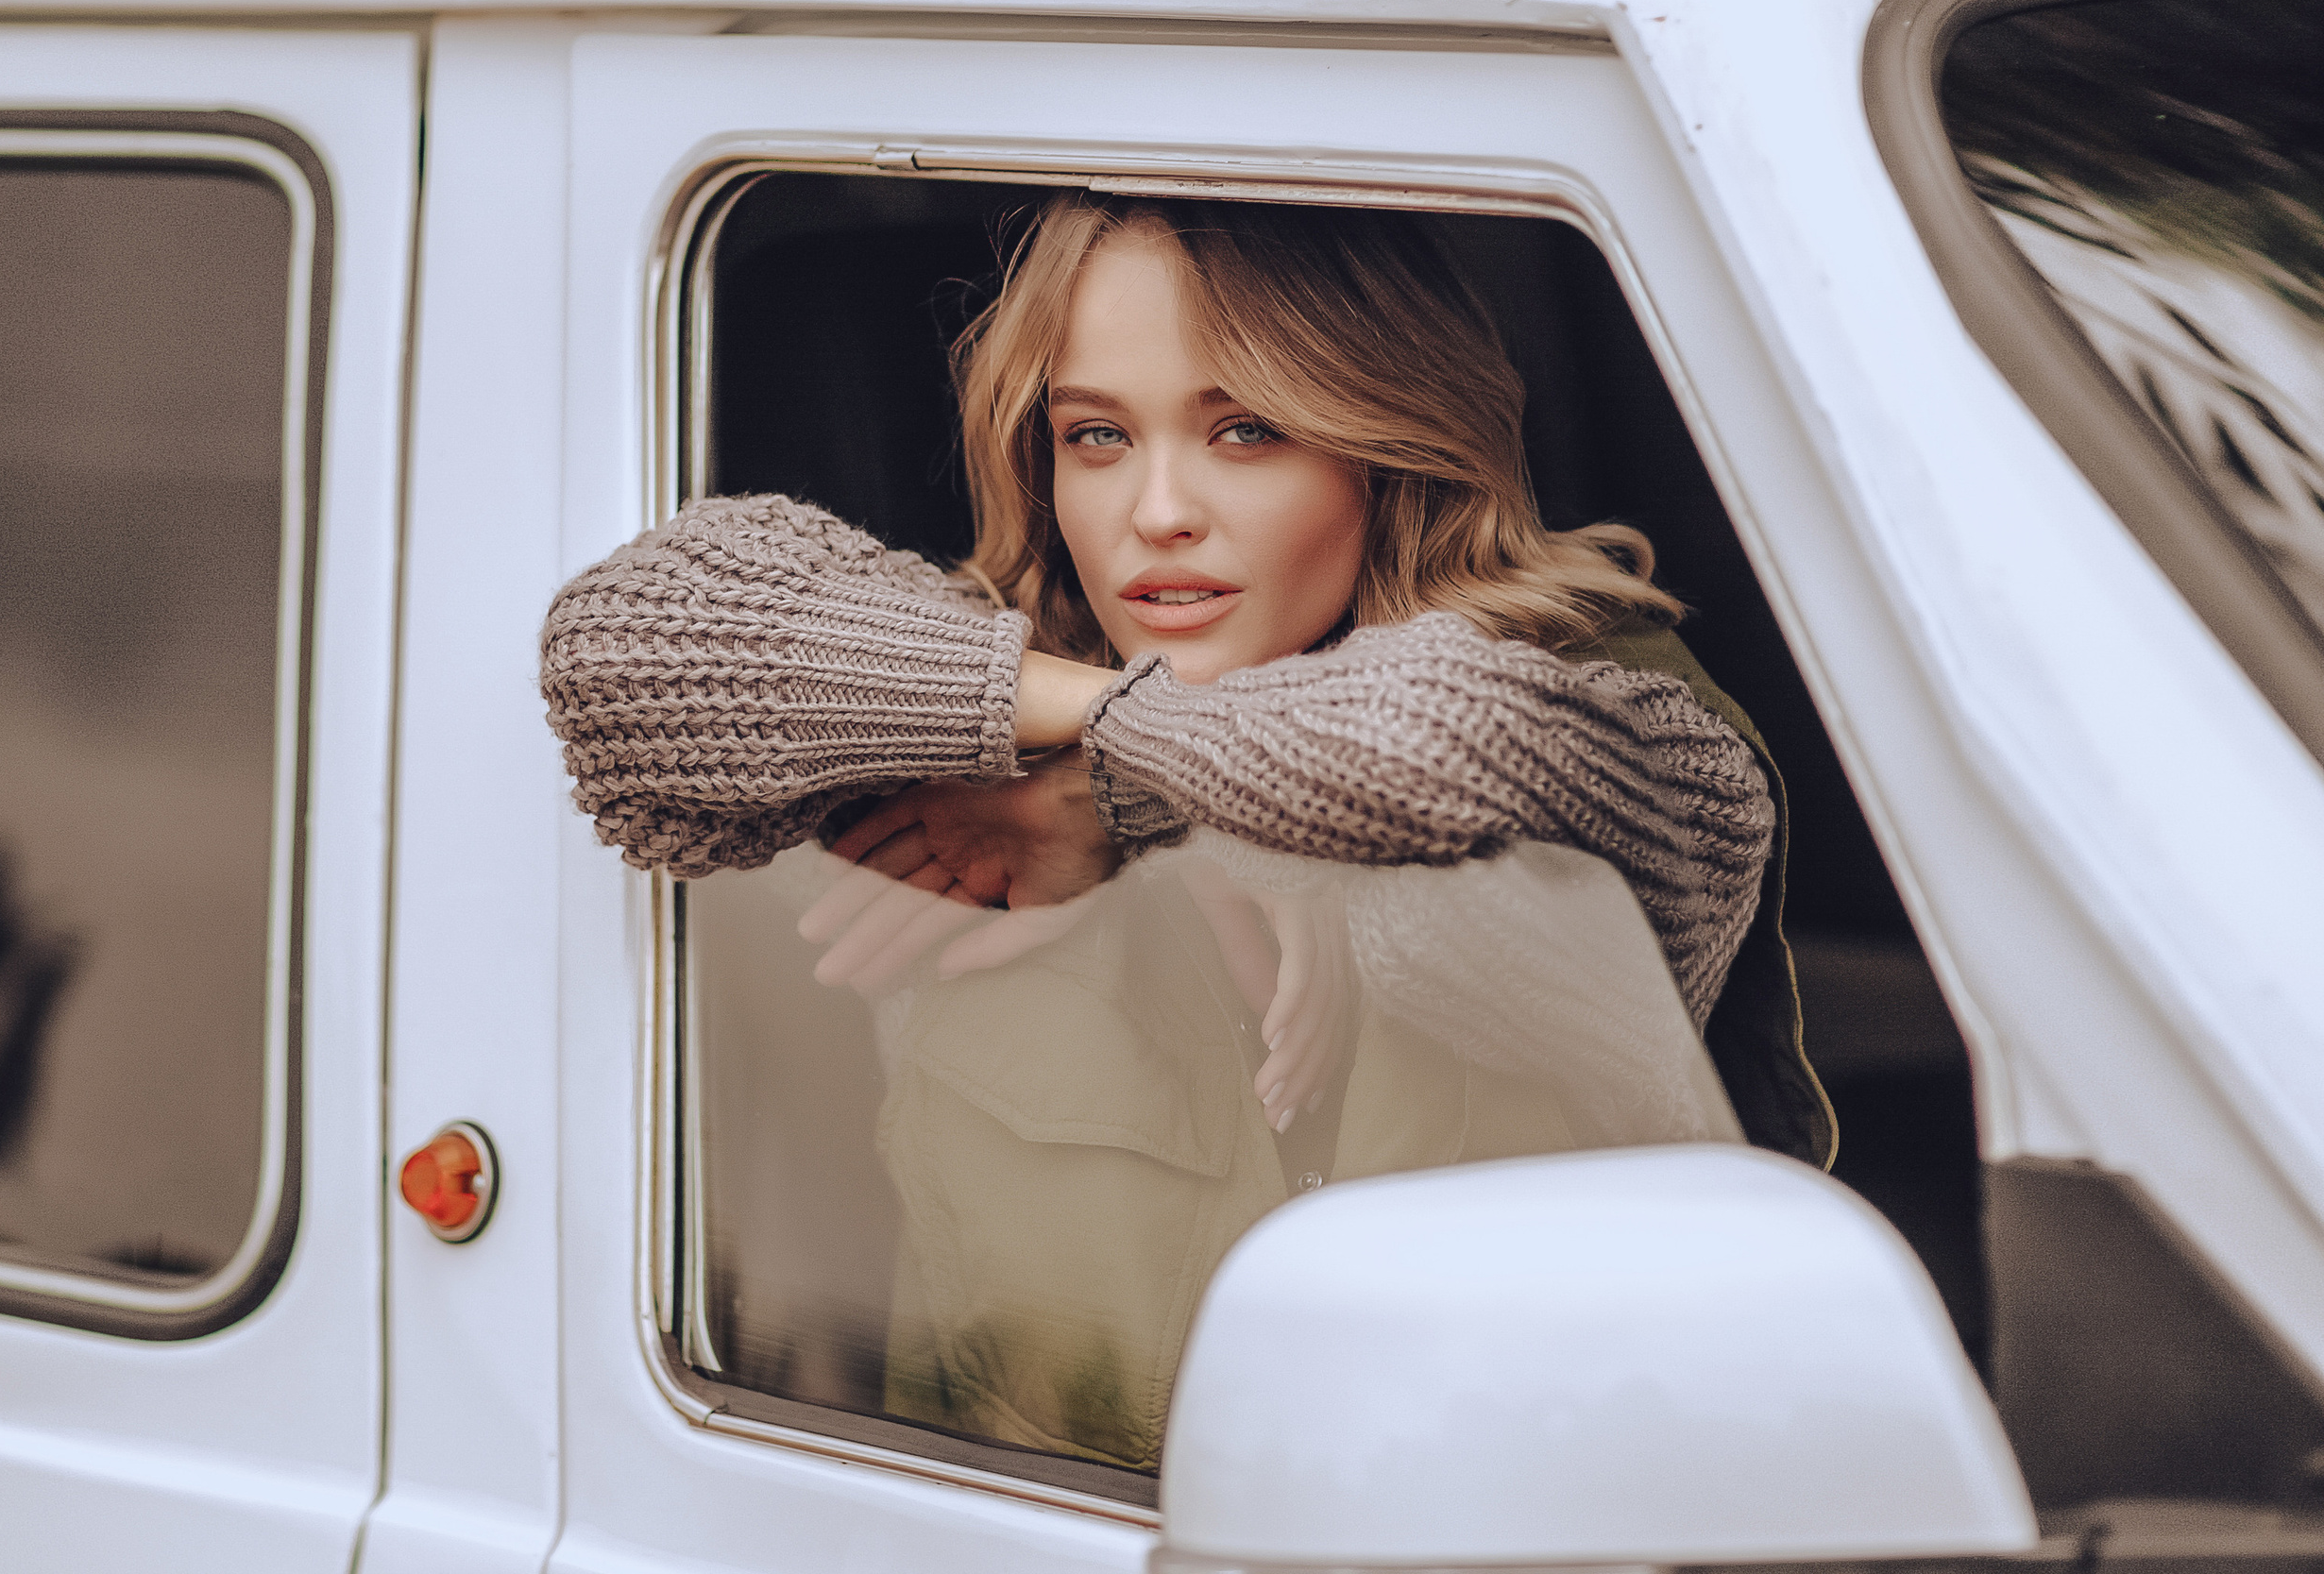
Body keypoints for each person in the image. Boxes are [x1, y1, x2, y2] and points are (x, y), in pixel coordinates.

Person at [540, 198, 1830, 1468]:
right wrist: (1100, 731)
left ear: (1387, 443)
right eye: (1096, 434)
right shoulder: (962, 701)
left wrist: (1131, 799)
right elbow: (624, 651)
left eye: (1248, 429)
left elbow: (1441, 745)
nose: (1158, 511)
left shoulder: (1619, 714)